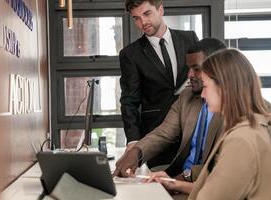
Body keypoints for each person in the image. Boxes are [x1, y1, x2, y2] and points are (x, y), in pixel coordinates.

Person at [151, 49, 271, 200]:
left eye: (206, 86)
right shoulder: (249, 128)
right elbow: (222, 188)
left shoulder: (241, 140)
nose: (202, 95)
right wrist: (174, 184)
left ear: (224, 88)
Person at [114, 37, 227, 188]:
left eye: (197, 68)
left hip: (207, 186)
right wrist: (136, 152)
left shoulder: (237, 108)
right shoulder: (187, 97)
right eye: (189, 69)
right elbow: (164, 133)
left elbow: (222, 164)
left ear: (218, 68)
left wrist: (180, 180)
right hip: (179, 180)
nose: (190, 75)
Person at [119, 0, 198, 168]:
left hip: (193, 129)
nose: (143, 23)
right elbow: (129, 101)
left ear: (160, 9)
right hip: (157, 135)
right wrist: (133, 141)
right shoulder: (130, 54)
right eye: (136, 18)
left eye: (147, 14)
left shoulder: (189, 38)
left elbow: (202, 75)